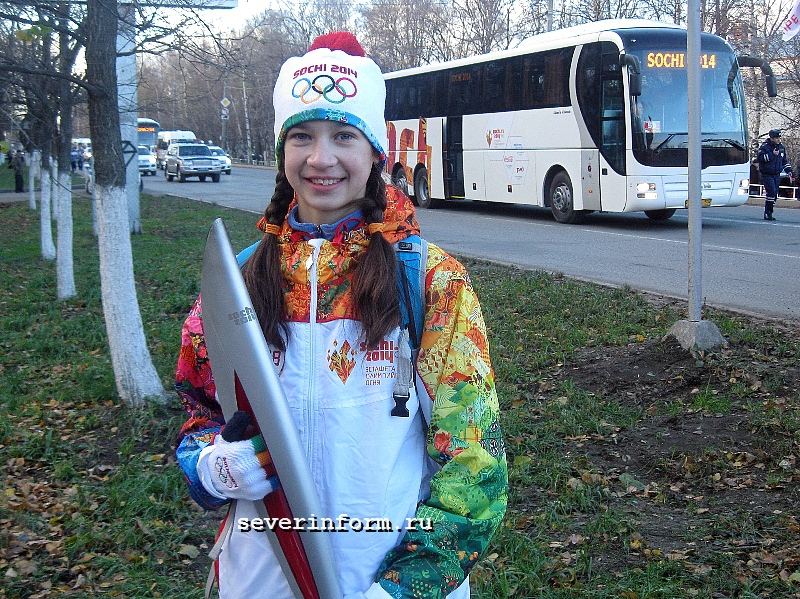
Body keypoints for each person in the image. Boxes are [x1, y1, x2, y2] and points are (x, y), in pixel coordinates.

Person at [175, 32, 508, 599]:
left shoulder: (430, 281)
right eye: (301, 136)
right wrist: (212, 465)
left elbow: (475, 468)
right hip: (262, 578)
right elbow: (198, 411)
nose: (320, 158)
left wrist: (402, 588)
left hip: (383, 580)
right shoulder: (238, 281)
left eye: (343, 136)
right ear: (282, 150)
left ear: (375, 150)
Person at [756, 129, 792, 220]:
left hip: (776, 174)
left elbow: (784, 161)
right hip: (767, 174)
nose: (778, 140)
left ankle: (769, 211)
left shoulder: (781, 147)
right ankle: (768, 212)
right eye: (776, 138)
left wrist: (789, 170)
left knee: (775, 193)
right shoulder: (765, 147)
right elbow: (760, 158)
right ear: (771, 138)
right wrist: (772, 155)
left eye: (779, 138)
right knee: (771, 191)